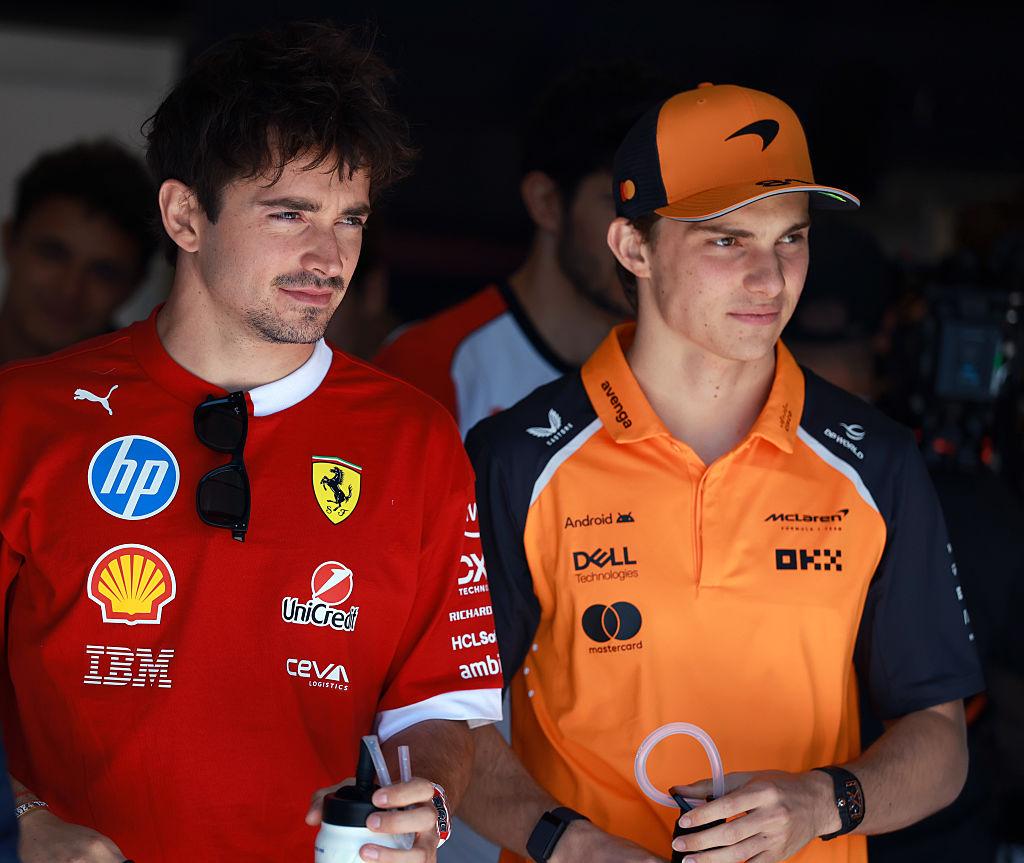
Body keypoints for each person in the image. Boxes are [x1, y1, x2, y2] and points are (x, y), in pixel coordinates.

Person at [0, 24, 501, 863]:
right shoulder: (24, 415)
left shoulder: (416, 438)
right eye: (290, 214)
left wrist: (416, 801)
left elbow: (439, 702)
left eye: (350, 219)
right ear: (184, 215)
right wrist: (19, 821)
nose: (328, 256)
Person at [459, 83, 984, 863]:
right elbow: (441, 724)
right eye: (727, 241)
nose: (770, 279)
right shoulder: (519, 458)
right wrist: (572, 846)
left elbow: (940, 738)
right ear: (632, 247)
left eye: (790, 238)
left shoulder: (875, 461)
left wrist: (823, 802)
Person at [374, 64, 668, 438]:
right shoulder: (431, 364)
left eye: (667, 211)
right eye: (624, 204)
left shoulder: (689, 367)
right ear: (546, 202)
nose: (647, 236)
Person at [0, 140, 158, 364]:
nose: (69, 290)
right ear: (10, 241)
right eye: (53, 254)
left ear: (135, 285)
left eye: (104, 273)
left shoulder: (152, 387)